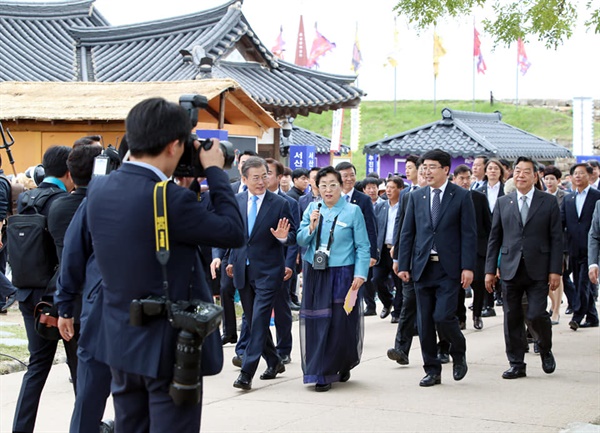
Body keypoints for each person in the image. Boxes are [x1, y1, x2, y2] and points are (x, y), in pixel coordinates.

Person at [84, 97, 244, 431]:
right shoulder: (170, 199)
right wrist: (214, 170)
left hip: (120, 342)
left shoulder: (99, 189)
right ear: (175, 145)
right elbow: (232, 231)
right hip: (168, 348)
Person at [398, 149, 476, 387]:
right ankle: (432, 369)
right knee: (424, 322)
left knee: (443, 316)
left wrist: (468, 267)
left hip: (448, 268)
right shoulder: (416, 196)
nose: (427, 171)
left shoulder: (461, 196)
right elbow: (407, 232)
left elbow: (469, 234)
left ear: (445, 169)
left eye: (432, 167)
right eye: (424, 167)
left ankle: (458, 351)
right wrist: (403, 264)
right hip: (422, 267)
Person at [11, 145, 74, 433]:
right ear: (68, 170)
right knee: (79, 367)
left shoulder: (25, 199)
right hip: (56, 299)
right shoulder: (62, 202)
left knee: (36, 367)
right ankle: (86, 425)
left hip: (27, 295)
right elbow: (68, 257)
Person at [485, 156, 562, 380]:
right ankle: (516, 363)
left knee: (537, 313)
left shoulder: (547, 202)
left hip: (539, 268)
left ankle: (545, 348)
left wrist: (555, 270)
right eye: (517, 171)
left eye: (526, 171)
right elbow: (494, 238)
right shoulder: (503, 202)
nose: (520, 175)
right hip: (510, 268)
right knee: (511, 317)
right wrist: (490, 270)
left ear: (535, 176)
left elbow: (557, 238)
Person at [297, 166, 370, 392]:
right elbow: (301, 240)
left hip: (343, 273)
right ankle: (320, 372)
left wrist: (360, 274)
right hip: (315, 272)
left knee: (339, 322)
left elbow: (362, 246)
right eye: (323, 185)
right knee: (316, 321)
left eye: (332, 185)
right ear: (316, 188)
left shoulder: (352, 211)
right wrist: (311, 226)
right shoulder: (311, 207)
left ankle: (339, 363)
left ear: (342, 186)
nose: (328, 190)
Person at [229, 156, 295, 391]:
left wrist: (283, 238)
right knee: (255, 320)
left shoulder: (279, 203)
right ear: (244, 179)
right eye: (255, 177)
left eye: (264, 176)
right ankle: (275, 361)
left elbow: (293, 235)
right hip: (242, 270)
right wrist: (229, 259)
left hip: (269, 271)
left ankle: (247, 372)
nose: (261, 181)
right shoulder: (235, 201)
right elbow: (234, 235)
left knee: (258, 320)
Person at [334, 161, 378, 316]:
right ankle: (339, 319)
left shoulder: (363, 200)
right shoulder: (333, 197)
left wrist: (373, 254)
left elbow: (371, 228)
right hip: (336, 254)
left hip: (357, 253)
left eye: (351, 175)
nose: (349, 179)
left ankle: (350, 318)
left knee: (354, 288)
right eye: (345, 176)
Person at [562, 163, 600, 330]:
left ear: (589, 176)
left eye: (581, 173)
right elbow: (561, 223)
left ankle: (577, 316)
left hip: (590, 249)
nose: (577, 176)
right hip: (573, 248)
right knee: (579, 282)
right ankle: (592, 316)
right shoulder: (568, 198)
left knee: (583, 283)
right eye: (575, 174)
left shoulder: (597, 196)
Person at [453, 165, 491, 330]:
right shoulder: (450, 198)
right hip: (457, 250)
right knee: (459, 286)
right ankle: (460, 317)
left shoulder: (479, 198)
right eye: (461, 178)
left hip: (478, 249)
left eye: (468, 178)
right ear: (454, 179)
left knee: (478, 284)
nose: (465, 181)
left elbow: (488, 225)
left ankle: (477, 314)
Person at [372, 176, 404, 322]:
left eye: (392, 188)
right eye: (387, 187)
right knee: (377, 279)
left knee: (399, 282)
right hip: (383, 250)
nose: (388, 191)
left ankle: (397, 312)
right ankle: (387, 302)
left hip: (398, 249)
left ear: (400, 189)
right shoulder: (381, 206)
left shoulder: (405, 206)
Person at [477, 158, 506, 313]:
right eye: (490, 168)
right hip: (485, 235)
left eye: (496, 168)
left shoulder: (506, 190)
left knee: (501, 265)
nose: (493, 171)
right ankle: (488, 303)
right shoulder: (479, 191)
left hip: (504, 233)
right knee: (486, 268)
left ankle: (500, 294)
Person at [544, 165, 567, 324]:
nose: (549, 181)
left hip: (560, 242)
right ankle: (552, 304)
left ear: (558, 181)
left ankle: (557, 311)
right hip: (542, 243)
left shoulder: (565, 197)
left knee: (557, 275)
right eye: (546, 178)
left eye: (552, 178)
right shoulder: (541, 197)